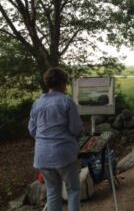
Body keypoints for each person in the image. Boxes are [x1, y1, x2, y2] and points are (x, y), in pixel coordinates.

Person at [28, 67, 84, 211]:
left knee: (52, 192)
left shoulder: (37, 103)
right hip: (63, 154)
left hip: (42, 156)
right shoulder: (66, 102)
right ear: (61, 83)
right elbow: (76, 129)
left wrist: (45, 140)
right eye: (65, 83)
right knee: (73, 190)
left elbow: (32, 130)